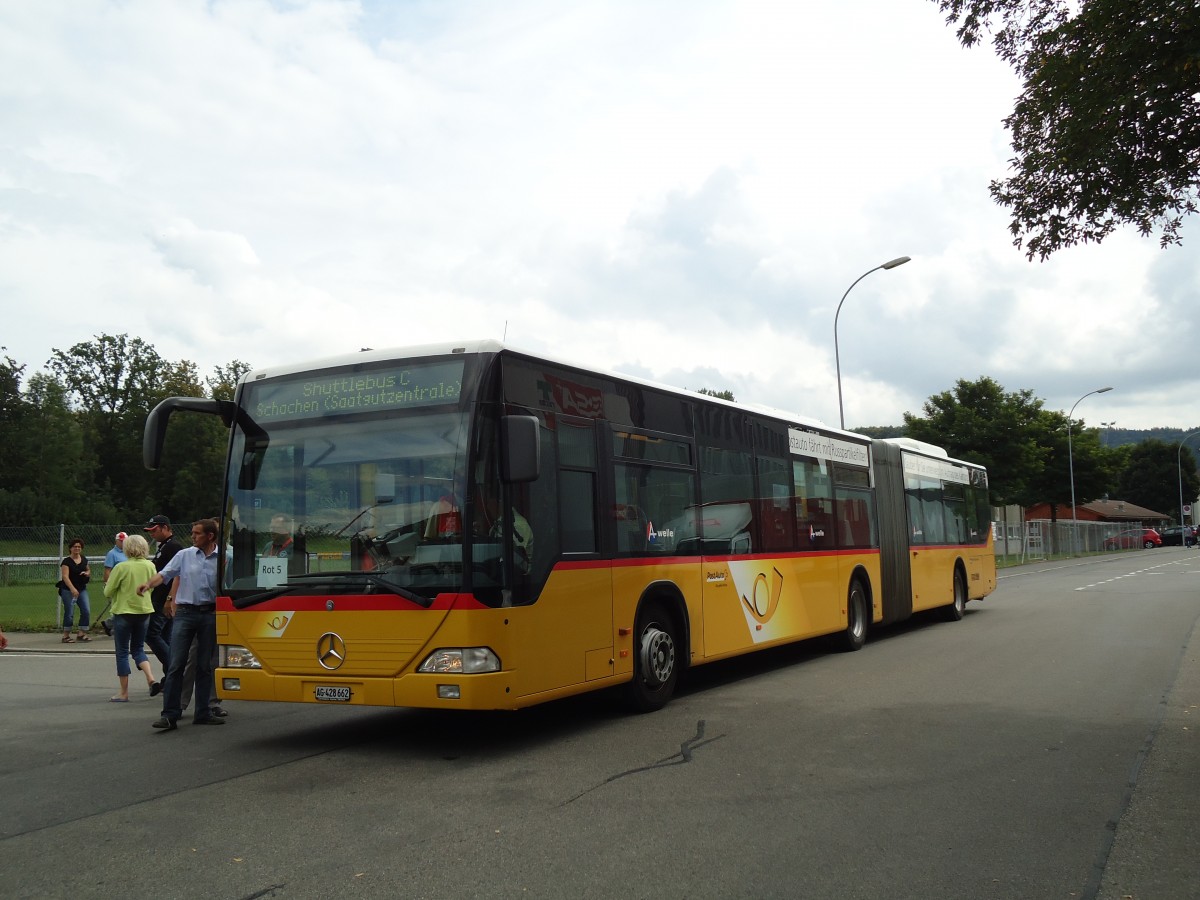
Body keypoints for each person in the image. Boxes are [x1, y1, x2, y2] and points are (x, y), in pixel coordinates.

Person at [137, 518, 223, 730]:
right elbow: (165, 575)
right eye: (192, 532)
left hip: (210, 614)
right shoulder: (184, 555)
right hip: (186, 613)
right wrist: (148, 584)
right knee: (177, 664)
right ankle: (169, 714)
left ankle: (203, 712)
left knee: (205, 666)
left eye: (197, 533)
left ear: (210, 536)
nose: (192, 536)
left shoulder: (224, 558)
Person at [103, 534, 161, 702]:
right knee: (138, 649)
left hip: (124, 612)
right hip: (144, 611)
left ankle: (123, 692)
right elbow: (152, 587)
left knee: (122, 652)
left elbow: (108, 591)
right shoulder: (150, 565)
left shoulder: (121, 567)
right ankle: (150, 678)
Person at [143, 515, 182, 671]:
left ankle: (174, 667)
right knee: (166, 637)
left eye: (155, 530)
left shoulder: (173, 547)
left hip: (164, 599)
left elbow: (176, 576)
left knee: (151, 634)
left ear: (165, 528)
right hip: (159, 596)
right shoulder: (164, 546)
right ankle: (170, 677)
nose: (152, 534)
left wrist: (170, 599)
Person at [57, 538, 92, 643]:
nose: (77, 548)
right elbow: (65, 577)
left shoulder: (83, 559)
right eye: (75, 547)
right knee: (69, 612)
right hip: (68, 589)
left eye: (79, 547)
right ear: (70, 548)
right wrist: (72, 589)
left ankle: (82, 633)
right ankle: (66, 635)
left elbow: (88, 569)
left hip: (81, 588)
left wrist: (87, 573)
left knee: (86, 610)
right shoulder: (66, 562)